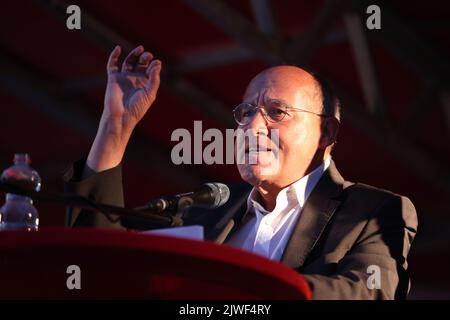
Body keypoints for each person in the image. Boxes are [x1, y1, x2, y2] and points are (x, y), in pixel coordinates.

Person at [63, 45, 418, 299]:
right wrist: (115, 126)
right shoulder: (206, 205)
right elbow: (99, 259)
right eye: (246, 112)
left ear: (327, 133)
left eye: (277, 113)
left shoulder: (371, 212)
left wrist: (239, 292)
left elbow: (365, 293)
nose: (252, 126)